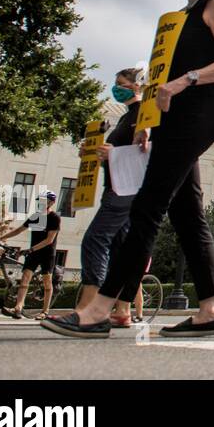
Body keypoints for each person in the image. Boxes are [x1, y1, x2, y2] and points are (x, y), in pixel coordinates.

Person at [42, 0, 214, 339]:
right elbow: (160, 80)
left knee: (147, 210)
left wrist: (185, 81)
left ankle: (99, 308)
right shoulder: (178, 18)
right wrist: (147, 119)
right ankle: (212, 308)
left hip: (196, 115)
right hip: (171, 120)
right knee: (189, 215)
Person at [76, 67, 146, 327]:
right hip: (119, 187)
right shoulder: (127, 117)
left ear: (137, 86)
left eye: (121, 83)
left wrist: (112, 153)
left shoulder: (142, 115)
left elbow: (143, 152)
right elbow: (120, 153)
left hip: (124, 190)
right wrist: (95, 152)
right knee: (120, 249)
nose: (116, 87)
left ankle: (87, 308)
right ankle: (122, 310)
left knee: (94, 240)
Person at [0, 191, 61, 320]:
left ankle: (45, 311)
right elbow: (19, 230)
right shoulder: (35, 216)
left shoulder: (55, 218)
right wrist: (0, 238)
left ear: (51, 202)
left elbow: (49, 240)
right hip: (33, 252)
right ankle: (18, 308)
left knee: (47, 281)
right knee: (25, 277)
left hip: (47, 254)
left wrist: (30, 249)